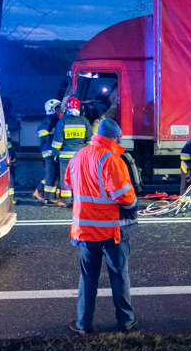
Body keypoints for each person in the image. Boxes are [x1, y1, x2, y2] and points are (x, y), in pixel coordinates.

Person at [65, 119, 138, 335]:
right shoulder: (111, 159)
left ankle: (83, 324)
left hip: (85, 231)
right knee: (119, 276)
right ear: (115, 137)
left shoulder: (78, 155)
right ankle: (125, 322)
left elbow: (69, 183)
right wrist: (133, 203)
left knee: (87, 278)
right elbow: (123, 196)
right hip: (111, 231)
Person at [52, 96, 93, 206]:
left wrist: (55, 154)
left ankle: (66, 201)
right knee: (80, 177)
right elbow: (89, 140)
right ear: (78, 108)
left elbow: (57, 141)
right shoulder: (84, 121)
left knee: (65, 177)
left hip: (65, 156)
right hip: (80, 156)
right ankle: (80, 199)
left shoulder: (62, 121)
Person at [34, 99, 63, 205]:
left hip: (52, 151)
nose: (60, 110)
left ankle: (39, 191)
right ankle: (46, 196)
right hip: (49, 151)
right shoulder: (48, 121)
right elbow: (43, 134)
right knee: (51, 174)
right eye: (58, 108)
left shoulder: (54, 120)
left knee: (53, 174)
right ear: (51, 110)